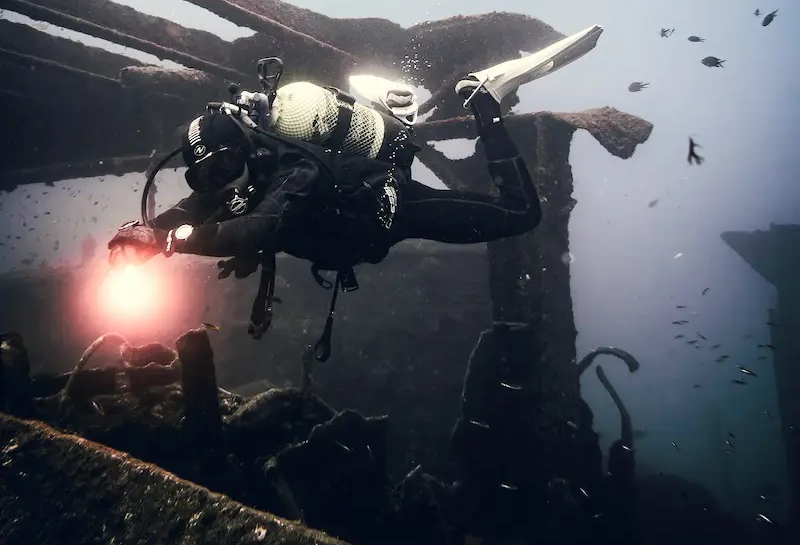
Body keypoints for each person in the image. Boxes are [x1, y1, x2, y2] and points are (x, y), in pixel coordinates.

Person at [108, 25, 602, 342]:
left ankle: (485, 100)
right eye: (205, 175)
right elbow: (193, 208)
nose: (218, 182)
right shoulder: (232, 178)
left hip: (395, 210)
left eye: (222, 168)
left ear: (245, 147)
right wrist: (137, 238)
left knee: (522, 215)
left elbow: (260, 228)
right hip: (361, 219)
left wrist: (171, 241)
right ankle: (392, 120)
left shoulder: (293, 173)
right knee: (396, 159)